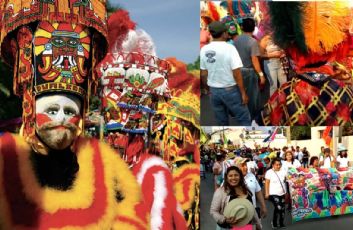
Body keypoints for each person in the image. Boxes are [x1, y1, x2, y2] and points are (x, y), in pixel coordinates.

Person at [0, 4, 186, 229]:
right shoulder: (7, 159)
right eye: (51, 111)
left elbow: (132, 214)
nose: (61, 119)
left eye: (69, 112)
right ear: (30, 110)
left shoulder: (101, 163)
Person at [200, 21, 251, 126]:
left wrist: (208, 89)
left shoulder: (204, 49)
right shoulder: (230, 48)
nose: (228, 33)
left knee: (221, 122)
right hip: (230, 89)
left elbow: (203, 73)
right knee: (243, 119)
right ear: (223, 34)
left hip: (214, 91)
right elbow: (236, 72)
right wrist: (243, 93)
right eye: (226, 31)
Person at [233, 17, 266, 120]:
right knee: (253, 97)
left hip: (237, 71)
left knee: (241, 95)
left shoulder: (236, 40)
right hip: (248, 71)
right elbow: (254, 60)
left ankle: (243, 116)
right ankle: (253, 119)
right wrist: (261, 75)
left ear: (242, 27)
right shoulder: (252, 42)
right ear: (254, 28)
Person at [265, 159, 287, 229]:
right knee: (278, 207)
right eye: (276, 165)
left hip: (282, 193)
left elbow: (287, 180)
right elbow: (267, 183)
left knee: (282, 209)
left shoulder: (283, 171)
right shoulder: (269, 172)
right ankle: (274, 223)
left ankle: (281, 223)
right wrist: (267, 193)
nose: (278, 166)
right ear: (273, 165)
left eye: (279, 164)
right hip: (273, 193)